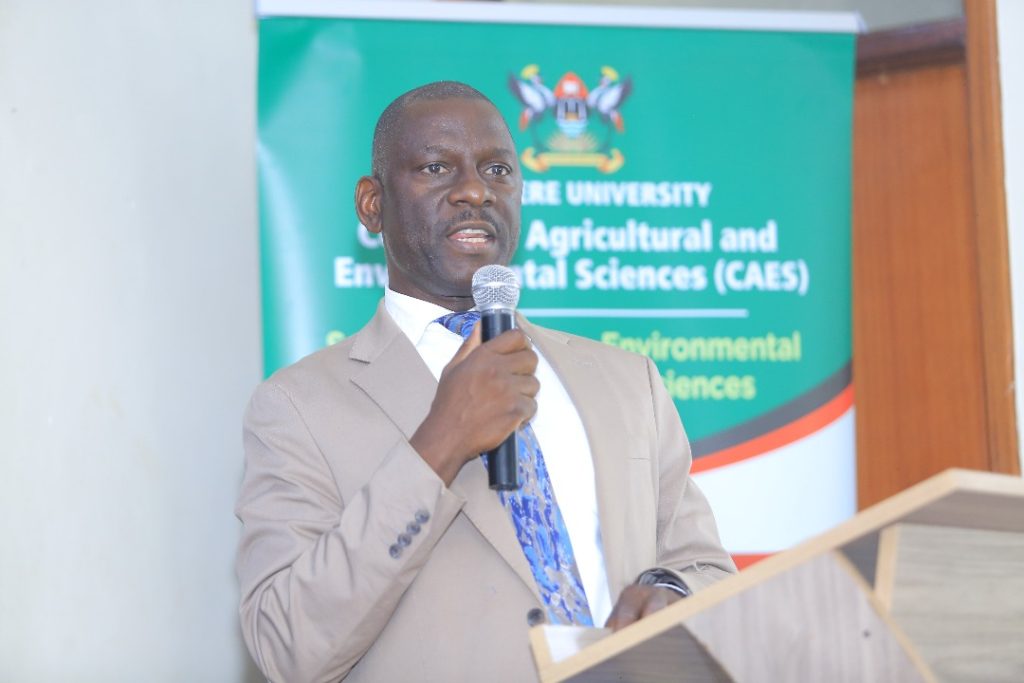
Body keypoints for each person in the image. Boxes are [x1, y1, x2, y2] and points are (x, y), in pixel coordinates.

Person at [236, 81, 736, 683]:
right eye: (436, 167)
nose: (474, 190)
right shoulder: (298, 407)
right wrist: (439, 444)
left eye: (497, 169)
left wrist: (673, 596)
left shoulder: (631, 382)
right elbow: (286, 646)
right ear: (373, 205)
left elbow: (705, 567)